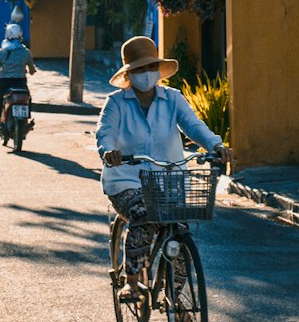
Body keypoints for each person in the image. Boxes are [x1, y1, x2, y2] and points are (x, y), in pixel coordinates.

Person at [96, 36, 230, 305]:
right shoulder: (116, 103)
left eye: (150, 68)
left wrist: (216, 145)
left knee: (179, 232)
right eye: (139, 69)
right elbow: (105, 133)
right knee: (143, 216)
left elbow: (194, 126)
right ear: (129, 74)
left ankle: (177, 298)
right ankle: (132, 284)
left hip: (167, 179)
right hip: (126, 180)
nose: (146, 74)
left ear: (158, 69)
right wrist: (108, 151)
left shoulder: (173, 99)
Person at [0, 22, 36, 122]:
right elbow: (31, 69)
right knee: (28, 97)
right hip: (20, 82)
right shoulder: (26, 52)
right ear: (20, 36)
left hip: (4, 82)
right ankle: (26, 118)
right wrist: (31, 71)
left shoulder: (2, 52)